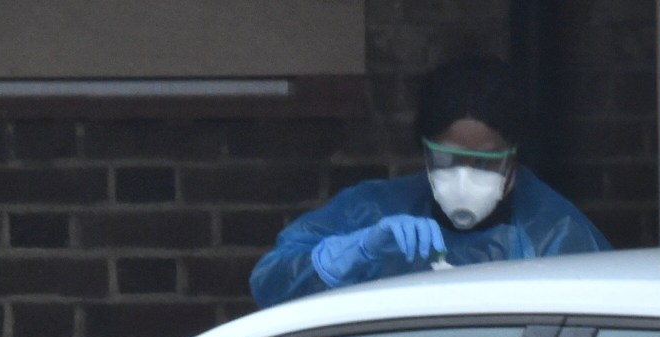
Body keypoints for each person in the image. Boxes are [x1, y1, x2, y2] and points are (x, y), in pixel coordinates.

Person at [249, 56, 612, 308]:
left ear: (514, 157)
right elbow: (270, 285)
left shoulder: (556, 233)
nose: (464, 175)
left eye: (486, 162)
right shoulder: (372, 210)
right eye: (449, 158)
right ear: (424, 149)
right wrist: (354, 251)